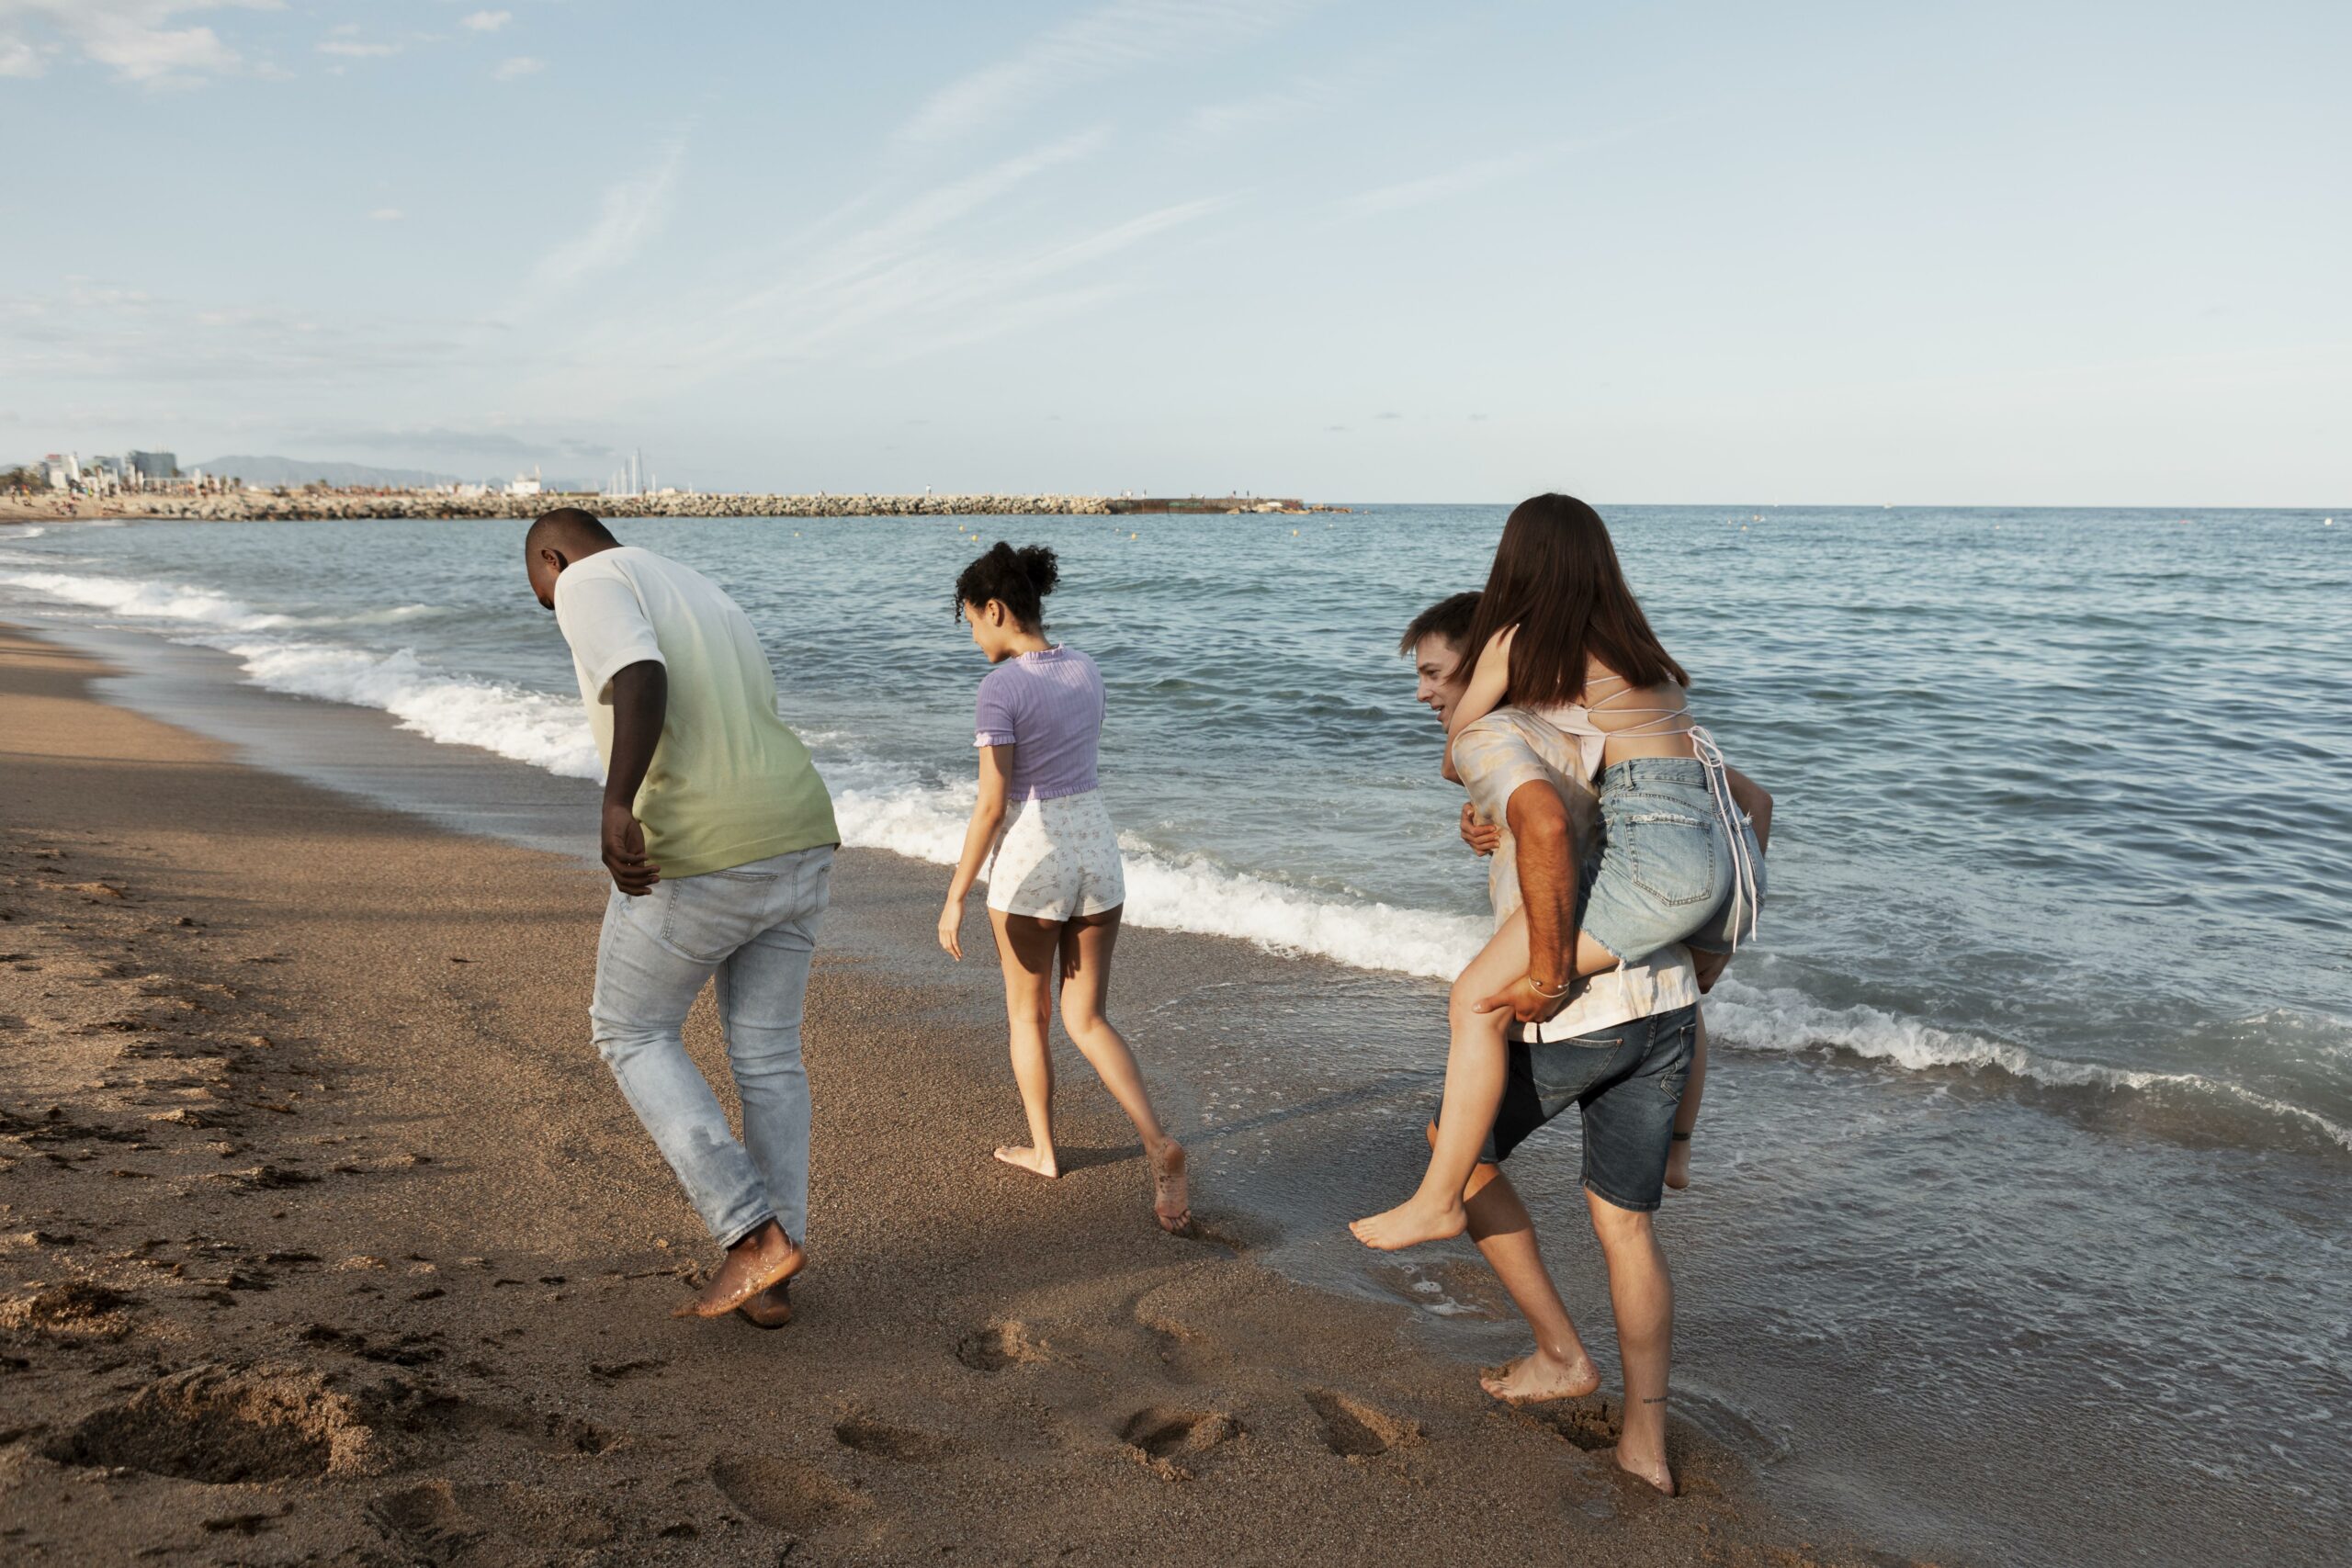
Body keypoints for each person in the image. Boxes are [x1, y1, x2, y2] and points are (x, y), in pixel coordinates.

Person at [1352, 498, 1767, 1247]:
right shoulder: (1640, 655)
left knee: (1476, 999)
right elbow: (1754, 803)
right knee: (1684, 990)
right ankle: (1679, 1146)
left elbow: (1463, 745)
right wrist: (1720, 942)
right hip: (1723, 856)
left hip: (1654, 863)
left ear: (1518, 562)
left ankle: (1440, 1196)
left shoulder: (1517, 640)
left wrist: (1545, 975)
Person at [1381, 590, 1713, 1494]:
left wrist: (1543, 971)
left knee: (1458, 1153)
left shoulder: (1512, 732)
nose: (1424, 695)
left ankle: (1560, 1353)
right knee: (1626, 1226)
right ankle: (1644, 1447)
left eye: (1436, 674)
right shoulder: (1624, 720)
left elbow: (1544, 824)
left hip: (1573, 1012)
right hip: (1667, 1004)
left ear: (1491, 665)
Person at [525, 508, 841, 1330]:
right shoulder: (702, 587)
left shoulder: (589, 579)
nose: (549, 608)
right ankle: (773, 1270)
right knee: (768, 1055)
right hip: (800, 832)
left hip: (703, 848)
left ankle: (748, 1229)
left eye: (540, 590)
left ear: (553, 556)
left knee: (629, 1030)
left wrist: (616, 800)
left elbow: (639, 673)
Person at [935, 542, 1190, 1234]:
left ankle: (1046, 1151)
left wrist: (956, 892)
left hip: (1032, 862)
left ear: (996, 609)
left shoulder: (1001, 687)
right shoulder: (1086, 667)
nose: (974, 637)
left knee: (1029, 1016)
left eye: (972, 622)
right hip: (1098, 855)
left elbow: (993, 804)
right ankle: (1155, 1141)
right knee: (1088, 1018)